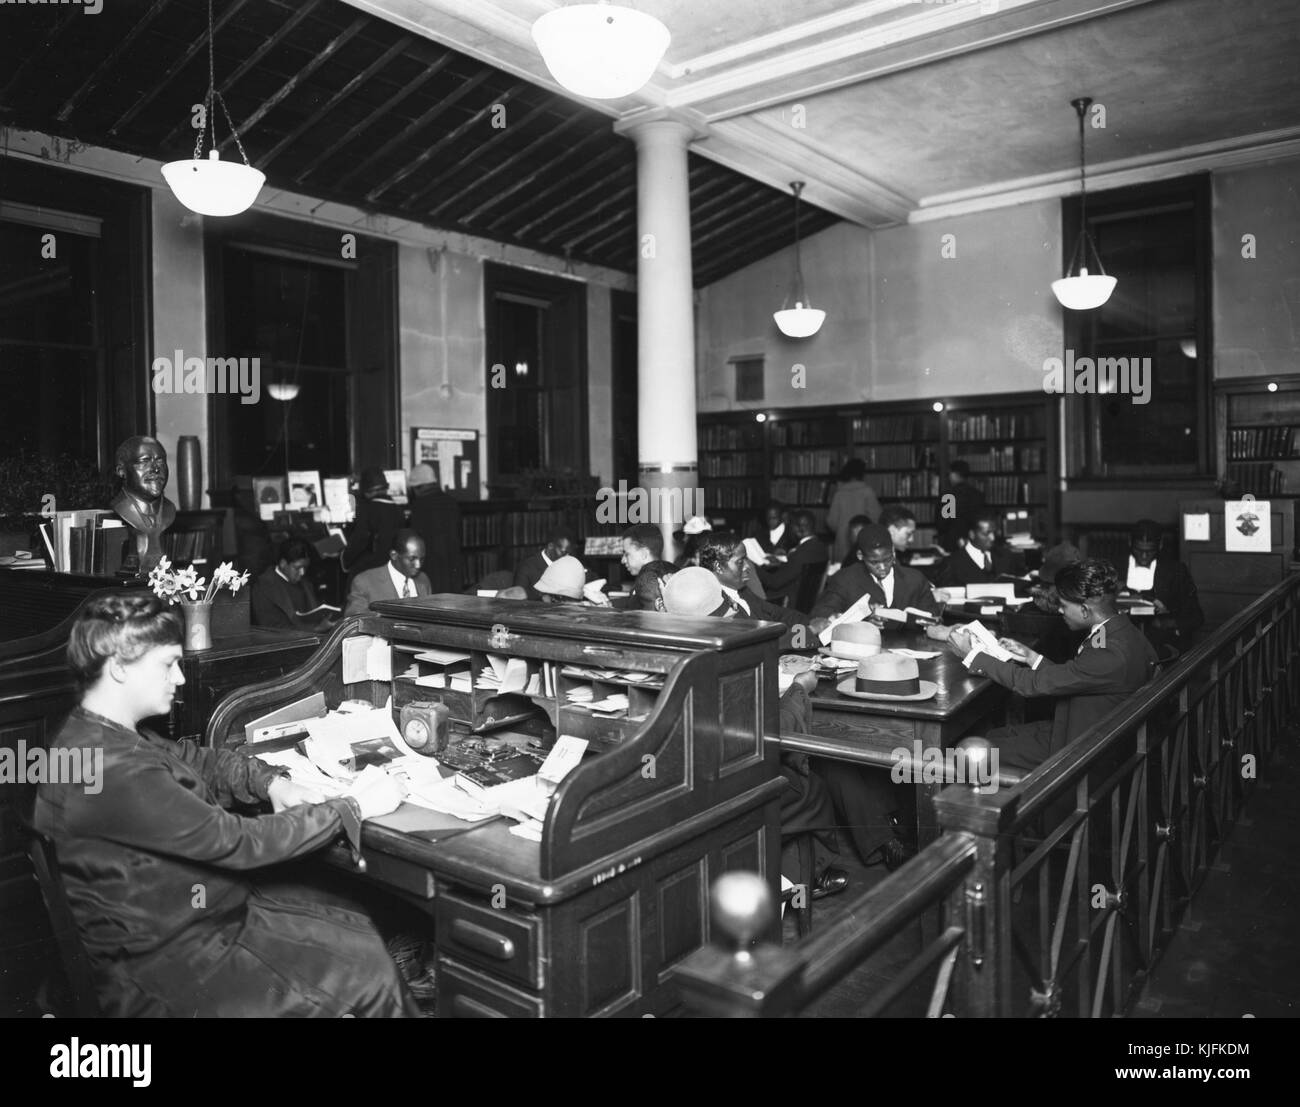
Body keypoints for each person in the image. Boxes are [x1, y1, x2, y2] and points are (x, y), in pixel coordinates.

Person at [31, 593, 414, 1017]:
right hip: (171, 965)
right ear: (119, 668)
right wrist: (351, 805)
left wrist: (268, 782)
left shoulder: (91, 736)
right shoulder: (119, 772)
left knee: (347, 919)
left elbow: (195, 760)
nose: (178, 678)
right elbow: (238, 842)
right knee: (367, 963)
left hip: (174, 922)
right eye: (167, 664)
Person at [660, 568, 846, 898]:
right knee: (810, 787)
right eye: (727, 610)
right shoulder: (726, 653)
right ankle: (794, 878)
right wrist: (799, 690)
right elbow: (766, 735)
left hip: (685, 784)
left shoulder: (673, 649)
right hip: (727, 791)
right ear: (721, 616)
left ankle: (785, 874)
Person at [945, 558, 1157, 773]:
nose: (1060, 611)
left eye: (1064, 606)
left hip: (1081, 750)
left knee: (967, 753)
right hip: (1082, 726)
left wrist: (973, 655)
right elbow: (1078, 676)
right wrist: (1031, 657)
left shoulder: (1110, 653)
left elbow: (1031, 684)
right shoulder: (1118, 631)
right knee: (990, 736)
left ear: (1085, 610)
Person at [810, 524, 941, 634]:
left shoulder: (915, 579)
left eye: (888, 559)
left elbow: (935, 620)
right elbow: (820, 617)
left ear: (893, 551)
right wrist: (861, 621)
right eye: (874, 562)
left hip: (911, 653)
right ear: (860, 555)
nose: (883, 567)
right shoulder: (844, 580)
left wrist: (913, 620)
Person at [698, 532, 813, 648]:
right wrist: (810, 632)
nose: (747, 566)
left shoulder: (741, 591)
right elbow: (758, 643)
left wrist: (809, 622)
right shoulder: (714, 604)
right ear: (718, 567)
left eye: (746, 560)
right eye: (740, 562)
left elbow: (778, 613)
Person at [1123, 519, 1204, 654]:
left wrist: (1166, 623)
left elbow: (1196, 617)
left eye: (1150, 551)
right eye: (1139, 550)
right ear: (1130, 543)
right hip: (1126, 647)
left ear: (1160, 545)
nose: (1144, 556)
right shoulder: (1119, 569)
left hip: (1162, 647)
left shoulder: (1176, 572)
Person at [110, 435, 177, 576]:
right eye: (144, 461)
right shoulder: (120, 507)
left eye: (160, 461)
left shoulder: (169, 510)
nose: (155, 469)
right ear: (121, 471)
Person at [250, 538, 337, 629]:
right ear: (283, 563)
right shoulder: (263, 587)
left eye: (305, 567)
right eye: (297, 568)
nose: (302, 572)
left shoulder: (305, 582)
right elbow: (272, 628)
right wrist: (317, 628)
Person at [343, 530, 433, 617]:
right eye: (412, 559)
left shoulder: (423, 580)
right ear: (394, 555)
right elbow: (354, 624)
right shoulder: (364, 582)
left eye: (421, 559)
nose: (418, 565)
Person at [407, 462, 463, 594]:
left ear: (417, 488)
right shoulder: (452, 502)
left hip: (429, 567)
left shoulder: (418, 506)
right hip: (451, 565)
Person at [341, 467, 405, 581]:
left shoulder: (368, 510)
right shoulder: (399, 510)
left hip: (370, 570)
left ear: (366, 492)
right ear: (386, 488)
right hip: (393, 570)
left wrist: (344, 559)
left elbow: (359, 540)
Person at [757, 509, 829, 606]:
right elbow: (796, 568)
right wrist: (783, 562)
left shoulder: (801, 553)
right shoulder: (820, 547)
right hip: (805, 602)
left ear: (799, 528)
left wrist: (753, 566)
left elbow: (774, 582)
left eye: (790, 526)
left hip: (784, 602)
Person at [938, 509, 1023, 587]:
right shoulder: (952, 563)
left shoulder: (1006, 556)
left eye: (994, 533)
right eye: (986, 534)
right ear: (972, 534)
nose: (992, 538)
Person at [826, 459, 881, 564]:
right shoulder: (867, 492)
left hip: (842, 541)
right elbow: (877, 517)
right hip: (864, 541)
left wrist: (842, 530)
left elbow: (831, 521)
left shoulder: (839, 493)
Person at [622, 524, 675, 609]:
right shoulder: (675, 572)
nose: (623, 560)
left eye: (626, 554)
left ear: (644, 554)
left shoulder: (646, 582)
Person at [937, 460, 986, 552]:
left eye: (950, 473)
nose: (949, 477)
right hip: (974, 542)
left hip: (953, 544)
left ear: (955, 474)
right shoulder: (977, 495)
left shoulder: (949, 496)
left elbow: (943, 524)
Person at [514, 530, 575, 600]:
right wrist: (541, 597)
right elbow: (517, 596)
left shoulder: (567, 565)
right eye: (564, 552)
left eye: (569, 553)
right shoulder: (526, 567)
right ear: (550, 546)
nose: (567, 556)